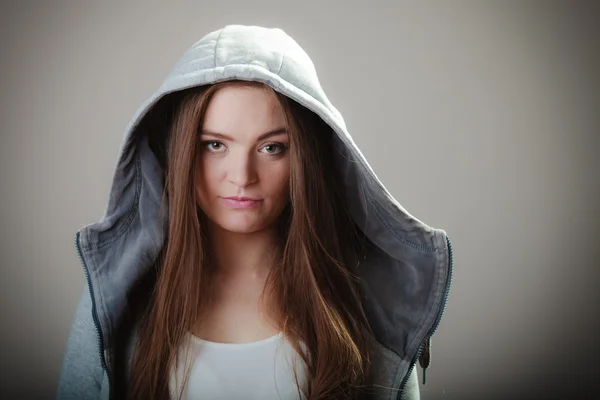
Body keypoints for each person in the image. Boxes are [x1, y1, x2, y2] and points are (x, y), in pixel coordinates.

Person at [56, 24, 453, 400]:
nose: (242, 176)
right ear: (180, 152)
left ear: (305, 159)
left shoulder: (365, 303)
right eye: (214, 145)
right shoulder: (115, 300)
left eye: (271, 147)